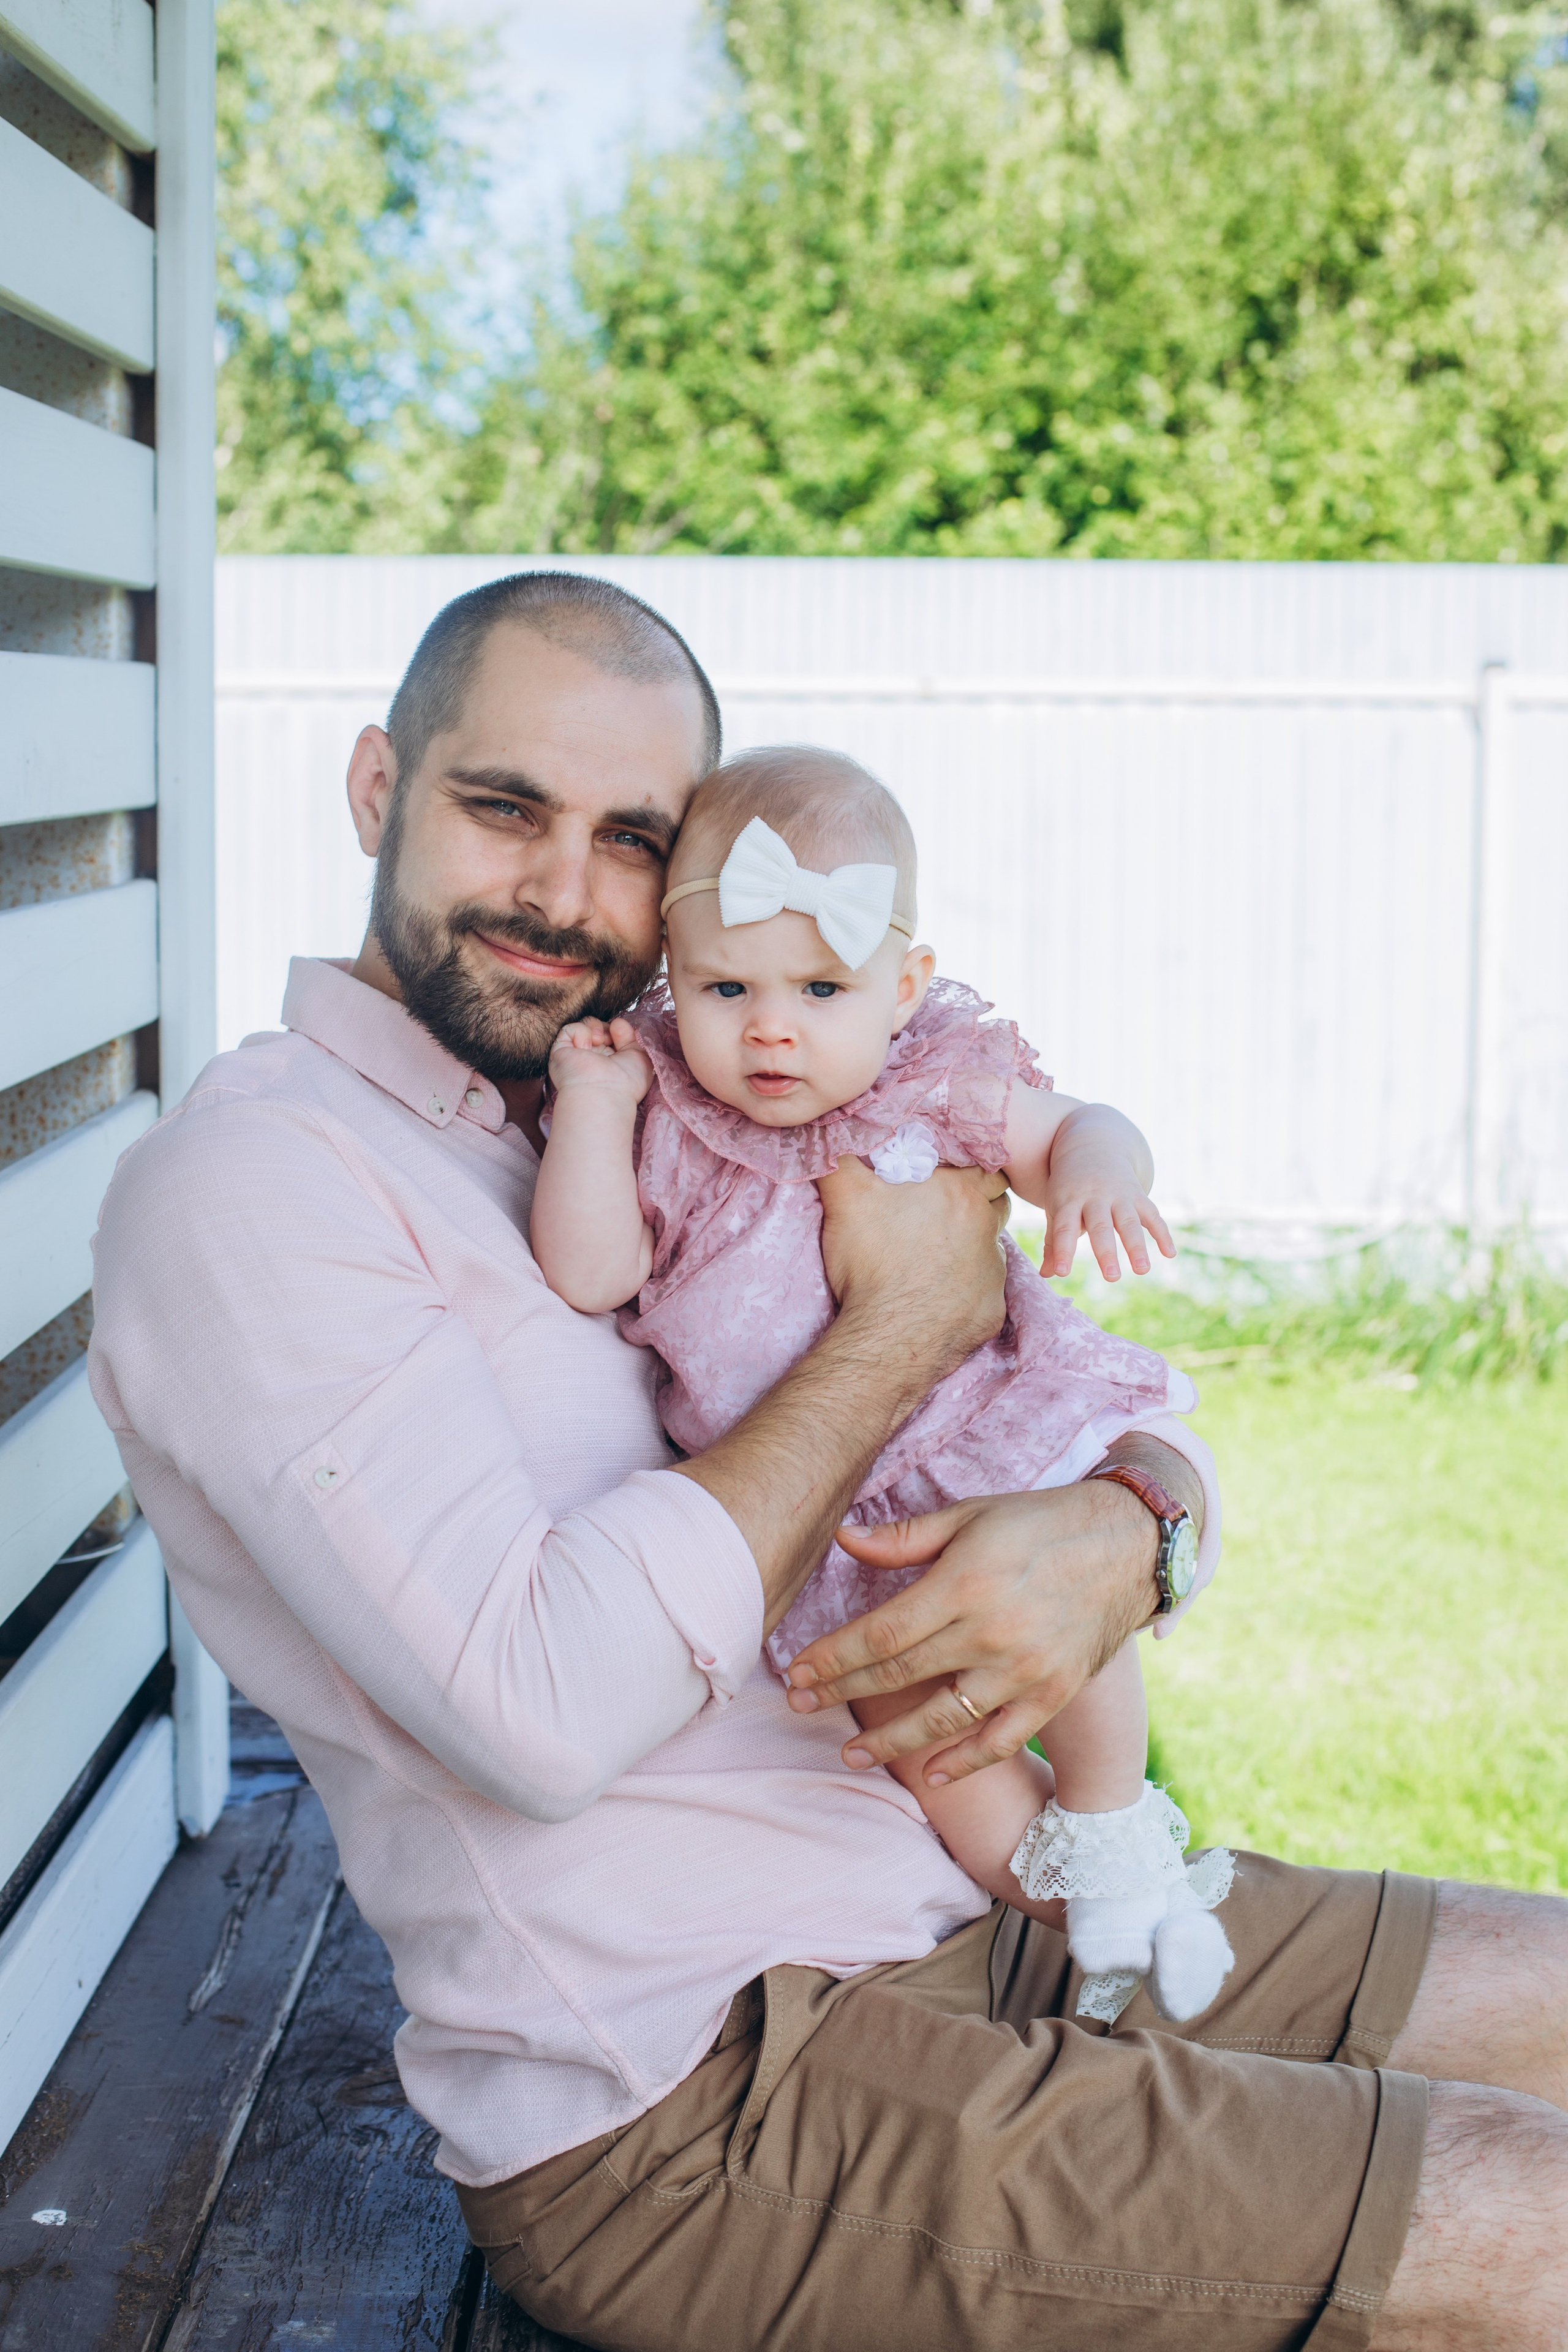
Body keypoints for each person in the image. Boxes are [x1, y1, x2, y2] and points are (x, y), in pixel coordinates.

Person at [88, 571, 1568, 2352]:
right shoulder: (261, 1185)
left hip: (980, 1904)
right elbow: (539, 1707)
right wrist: (899, 1332)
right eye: (504, 809)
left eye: (630, 836)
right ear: (374, 790)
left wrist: (1141, 1519)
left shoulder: (667, 1092)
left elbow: (1031, 1347)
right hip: (697, 2095)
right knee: (1532, 2222)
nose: (565, 895)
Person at [531, 744, 1235, 2025]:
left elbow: (1070, 1123)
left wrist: (1096, 1167)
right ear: (668, 984)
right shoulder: (665, 1114)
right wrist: (589, 1108)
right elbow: (590, 1273)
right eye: (724, 984)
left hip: (966, 1450)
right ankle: (1104, 1928)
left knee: (1060, 1645)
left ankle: (1117, 1828)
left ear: (903, 986)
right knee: (938, 1759)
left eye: (820, 984)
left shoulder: (929, 1082)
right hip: (822, 1520)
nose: (770, 1026)